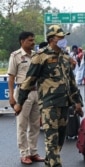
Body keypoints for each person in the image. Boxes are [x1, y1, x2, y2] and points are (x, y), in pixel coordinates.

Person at [13, 25, 84, 167]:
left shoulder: (65, 56)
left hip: (64, 104)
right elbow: (29, 80)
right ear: (52, 39)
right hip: (48, 105)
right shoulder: (40, 56)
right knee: (51, 140)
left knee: (60, 140)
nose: (64, 40)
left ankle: (50, 162)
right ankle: (54, 164)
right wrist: (19, 102)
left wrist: (77, 102)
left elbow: (71, 81)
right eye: (61, 37)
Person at [7, 31, 45, 165]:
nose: (33, 42)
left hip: (36, 93)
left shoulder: (36, 55)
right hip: (22, 94)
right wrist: (11, 97)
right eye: (30, 40)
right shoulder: (15, 56)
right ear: (22, 41)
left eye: (33, 40)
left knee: (35, 124)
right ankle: (24, 154)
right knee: (22, 125)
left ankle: (33, 152)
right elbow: (11, 77)